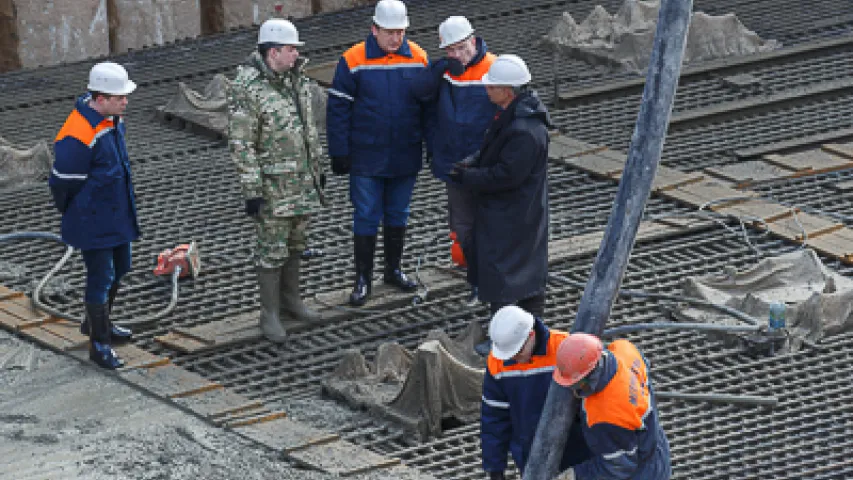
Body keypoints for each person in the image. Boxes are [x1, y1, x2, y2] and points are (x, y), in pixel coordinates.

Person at [227, 18, 326, 343]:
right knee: (271, 249)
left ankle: (291, 301)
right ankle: (269, 312)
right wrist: (252, 190)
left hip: (301, 181)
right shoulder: (248, 87)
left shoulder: (296, 80)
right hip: (272, 187)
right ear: (273, 52)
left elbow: (308, 128)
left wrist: (317, 169)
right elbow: (242, 144)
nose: (296, 54)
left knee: (297, 242)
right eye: (290, 49)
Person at [326, 0, 430, 306]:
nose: (396, 38)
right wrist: (339, 151)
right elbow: (337, 110)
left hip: (404, 153)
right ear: (374, 29)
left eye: (400, 32)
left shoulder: (419, 57)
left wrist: (433, 147)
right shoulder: (353, 59)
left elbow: (429, 108)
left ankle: (393, 270)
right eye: (389, 32)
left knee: (398, 213)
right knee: (367, 215)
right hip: (367, 156)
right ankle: (363, 279)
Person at [49, 62, 140, 369]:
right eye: (119, 97)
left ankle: (97, 323)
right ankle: (99, 345)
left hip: (116, 214)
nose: (125, 101)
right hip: (93, 219)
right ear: (100, 98)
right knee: (101, 277)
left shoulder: (111, 121)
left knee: (122, 267)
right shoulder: (78, 132)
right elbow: (62, 181)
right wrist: (80, 213)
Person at [448, 54, 550, 319]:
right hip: (513, 211)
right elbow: (495, 153)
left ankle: (515, 334)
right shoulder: (514, 116)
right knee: (518, 272)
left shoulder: (524, 130)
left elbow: (506, 175)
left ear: (507, 91)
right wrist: (473, 163)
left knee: (507, 275)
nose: (486, 89)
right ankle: (520, 330)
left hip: (513, 214)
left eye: (491, 86)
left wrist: (468, 177)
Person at [410, 16, 497, 305]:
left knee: (491, 224)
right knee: (463, 226)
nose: (457, 55)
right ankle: (476, 281)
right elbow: (420, 94)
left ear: (473, 41)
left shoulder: (494, 69)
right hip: (455, 164)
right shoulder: (446, 73)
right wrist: (439, 69)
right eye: (451, 51)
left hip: (486, 166)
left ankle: (492, 281)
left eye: (461, 48)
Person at [481, 306, 592, 479]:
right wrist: (495, 469)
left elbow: (593, 399)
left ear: (531, 335)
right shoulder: (498, 362)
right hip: (530, 454)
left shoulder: (564, 348)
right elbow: (494, 419)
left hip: (576, 449)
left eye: (517, 352)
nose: (513, 358)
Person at [553, 333, 671, 480]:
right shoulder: (624, 349)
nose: (573, 388)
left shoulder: (604, 416)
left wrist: (575, 475)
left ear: (590, 375)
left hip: (641, 472)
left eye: (576, 384)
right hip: (654, 446)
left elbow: (618, 466)